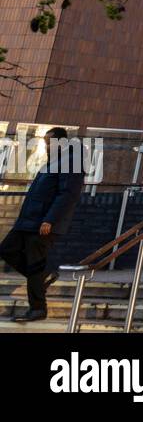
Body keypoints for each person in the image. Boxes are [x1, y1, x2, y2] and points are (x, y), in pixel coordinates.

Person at [1, 127, 85, 322]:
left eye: (49, 143)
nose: (46, 146)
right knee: (7, 249)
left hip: (43, 223)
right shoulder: (53, 162)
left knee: (34, 262)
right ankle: (43, 277)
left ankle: (38, 308)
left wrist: (50, 219)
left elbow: (68, 195)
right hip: (28, 221)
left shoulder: (71, 162)